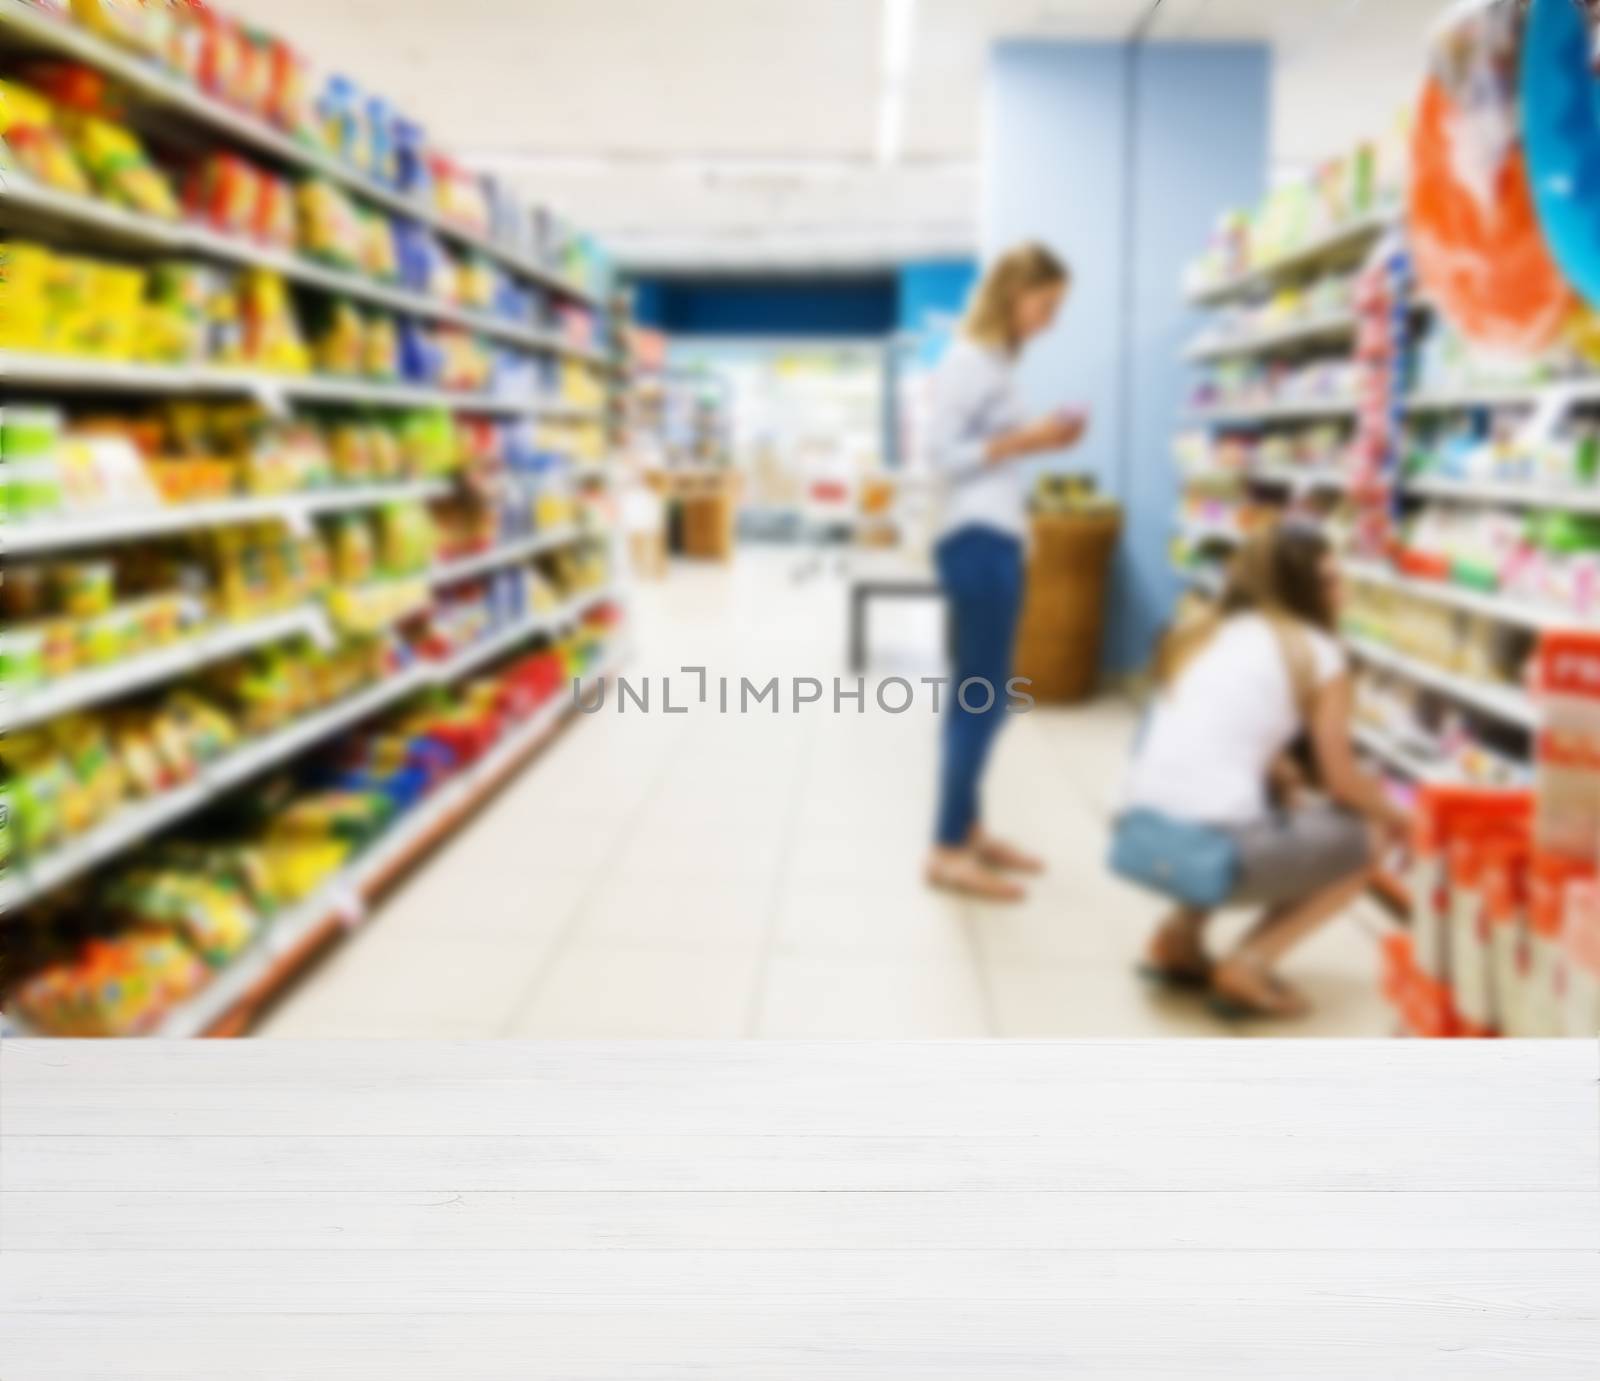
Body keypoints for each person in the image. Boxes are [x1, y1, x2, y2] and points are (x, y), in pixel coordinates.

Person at [1122, 524, 1410, 1018]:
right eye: (1330, 580)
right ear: (1301, 590)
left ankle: (1177, 938)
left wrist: (1285, 777)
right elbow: (1342, 783)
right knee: (1371, 836)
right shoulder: (1319, 652)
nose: (1342, 592)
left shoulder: (1204, 632)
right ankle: (1250, 964)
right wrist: (1407, 820)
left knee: (1271, 790)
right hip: (1207, 853)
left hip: (1138, 841)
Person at [924, 242, 1087, 901]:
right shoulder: (968, 362)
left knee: (984, 699)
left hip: (995, 537)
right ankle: (944, 845)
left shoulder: (994, 364)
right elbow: (942, 457)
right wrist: (1033, 439)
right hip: (974, 539)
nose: (1051, 318)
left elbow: (989, 458)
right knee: (982, 700)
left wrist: (1039, 446)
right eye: (1046, 303)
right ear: (1013, 293)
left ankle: (966, 827)